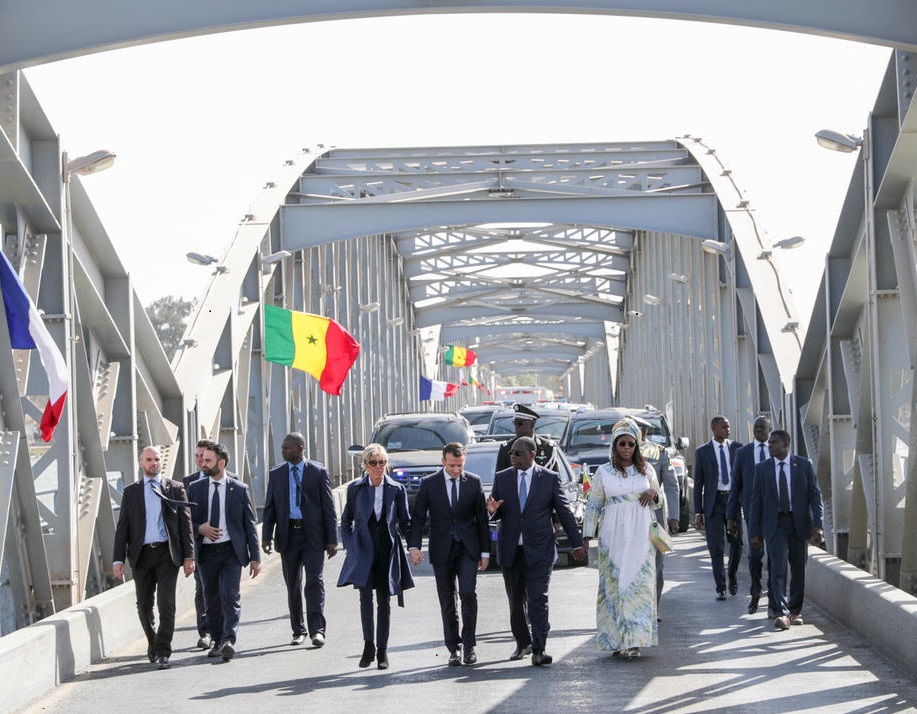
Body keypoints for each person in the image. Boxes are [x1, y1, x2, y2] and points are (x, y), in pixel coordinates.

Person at [487, 436, 587, 666]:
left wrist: (577, 544)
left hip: (540, 549)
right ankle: (523, 642)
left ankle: (539, 649)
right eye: (511, 453)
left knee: (538, 598)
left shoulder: (549, 478)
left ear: (532, 455)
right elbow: (497, 510)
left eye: (518, 453)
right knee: (515, 601)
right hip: (511, 549)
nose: (513, 457)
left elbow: (564, 512)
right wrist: (492, 511)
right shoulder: (502, 477)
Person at [582, 419, 661, 659]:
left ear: (637, 446)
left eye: (631, 444)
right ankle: (615, 639)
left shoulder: (647, 470)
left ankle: (634, 641)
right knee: (614, 586)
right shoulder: (603, 472)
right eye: (622, 443)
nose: (627, 448)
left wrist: (653, 492)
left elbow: (659, 501)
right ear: (614, 445)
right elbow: (594, 505)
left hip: (641, 534)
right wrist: (586, 536)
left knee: (638, 585)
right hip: (612, 535)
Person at [408, 442, 490, 666]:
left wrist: (485, 552)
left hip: (467, 548)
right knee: (447, 600)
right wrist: (414, 547)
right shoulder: (429, 483)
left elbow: (482, 520)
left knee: (468, 593)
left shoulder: (473, 482)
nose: (456, 470)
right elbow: (418, 517)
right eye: (452, 465)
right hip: (442, 548)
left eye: (460, 465)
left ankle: (470, 645)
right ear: (443, 461)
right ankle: (454, 647)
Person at [113, 446, 195, 670]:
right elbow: (123, 527)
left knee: (166, 604)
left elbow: (185, 525)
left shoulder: (175, 488)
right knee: (144, 605)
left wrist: (189, 556)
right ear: (141, 463)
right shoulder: (131, 492)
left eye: (157, 459)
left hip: (167, 554)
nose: (153, 463)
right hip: (141, 555)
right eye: (149, 459)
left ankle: (163, 651)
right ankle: (153, 642)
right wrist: (118, 560)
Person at [337, 444, 414, 670]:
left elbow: (405, 521)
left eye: (382, 462)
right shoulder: (356, 489)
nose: (378, 467)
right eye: (373, 463)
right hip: (363, 548)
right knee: (365, 598)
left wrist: (413, 546)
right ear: (365, 465)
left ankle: (382, 650)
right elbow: (346, 520)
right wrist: (350, 545)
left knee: (384, 600)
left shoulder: (396, 489)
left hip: (386, 548)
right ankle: (368, 645)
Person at [262, 432, 339, 647]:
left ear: (301, 448)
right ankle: (298, 630)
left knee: (314, 581)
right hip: (288, 536)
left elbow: (328, 507)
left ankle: (317, 630)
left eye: (288, 448)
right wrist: (266, 536)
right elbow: (270, 508)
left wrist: (332, 539)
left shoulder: (317, 472)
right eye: (283, 447)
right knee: (293, 584)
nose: (284, 451)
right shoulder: (277, 474)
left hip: (312, 536)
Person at [188, 442, 261, 662]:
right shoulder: (195, 488)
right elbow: (186, 522)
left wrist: (256, 558)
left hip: (230, 551)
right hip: (206, 553)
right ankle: (218, 640)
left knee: (231, 596)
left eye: (208, 460)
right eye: (202, 459)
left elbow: (249, 524)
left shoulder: (239, 489)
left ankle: (229, 640)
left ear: (221, 463)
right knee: (211, 600)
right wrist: (200, 529)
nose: (203, 464)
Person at [748, 429, 824, 630]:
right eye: (770, 442)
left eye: (774, 442)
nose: (769, 445)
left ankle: (794, 611)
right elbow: (756, 502)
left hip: (798, 522)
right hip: (775, 523)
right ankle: (781, 612)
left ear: (785, 445)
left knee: (798, 568)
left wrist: (818, 525)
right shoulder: (762, 469)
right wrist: (755, 532)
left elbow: (815, 496)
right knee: (778, 566)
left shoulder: (804, 465)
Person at [693, 415, 743, 600]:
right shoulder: (703, 452)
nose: (727, 430)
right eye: (724, 427)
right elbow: (698, 484)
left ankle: (732, 575)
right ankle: (720, 587)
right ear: (714, 429)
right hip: (713, 504)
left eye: (728, 427)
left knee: (736, 544)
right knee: (716, 547)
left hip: (732, 502)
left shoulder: (737, 448)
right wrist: (698, 512)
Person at [726, 415, 772, 615]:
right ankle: (755, 592)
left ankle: (774, 595)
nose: (758, 430)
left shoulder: (776, 450)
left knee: (775, 555)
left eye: (762, 427)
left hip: (774, 513)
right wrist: (731, 516)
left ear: (769, 430)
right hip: (752, 513)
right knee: (755, 556)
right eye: (756, 427)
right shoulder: (743, 453)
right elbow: (735, 485)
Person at [634, 418, 679, 612]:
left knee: (657, 565)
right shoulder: (619, 452)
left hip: (655, 517)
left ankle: (654, 608)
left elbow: (671, 485)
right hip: (630, 517)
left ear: (644, 433)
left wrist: (674, 516)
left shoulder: (659, 452)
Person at [183, 438, 216, 649]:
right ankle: (205, 633)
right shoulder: (187, 483)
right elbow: (183, 518)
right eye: (196, 456)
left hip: (225, 546)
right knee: (201, 589)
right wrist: (199, 529)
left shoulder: (232, 480)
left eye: (203, 456)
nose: (199, 460)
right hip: (200, 546)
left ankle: (222, 632)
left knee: (223, 592)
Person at [494, 403, 558, 472]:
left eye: (520, 423)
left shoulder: (547, 447)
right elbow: (500, 476)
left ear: (532, 425)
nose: (516, 427)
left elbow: (554, 476)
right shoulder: (506, 448)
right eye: (515, 423)